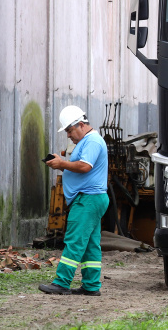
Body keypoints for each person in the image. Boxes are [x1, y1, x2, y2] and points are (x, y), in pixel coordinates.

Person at [39, 106, 110, 296]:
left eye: (70, 130)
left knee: (75, 240)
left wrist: (62, 163)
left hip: (88, 199)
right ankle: (91, 286)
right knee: (90, 244)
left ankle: (61, 282)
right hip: (90, 199)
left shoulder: (92, 141)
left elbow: (85, 166)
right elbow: (80, 168)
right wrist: (61, 163)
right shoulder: (87, 141)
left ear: (80, 125)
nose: (69, 135)